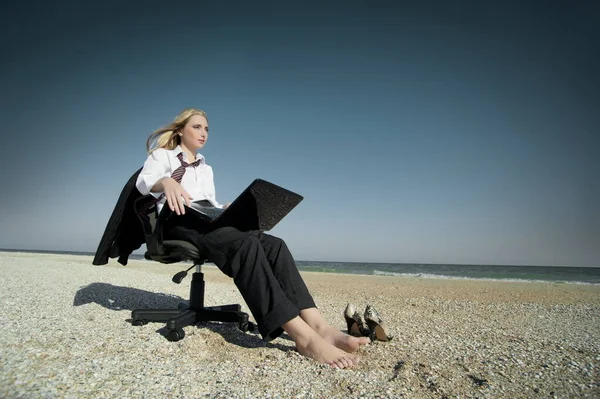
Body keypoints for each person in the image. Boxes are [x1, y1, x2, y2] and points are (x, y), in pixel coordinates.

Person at [135, 108, 369, 368]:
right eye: (197, 127)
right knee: (244, 244)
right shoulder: (163, 156)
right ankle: (303, 337)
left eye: (207, 129)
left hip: (205, 220)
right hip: (176, 221)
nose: (203, 133)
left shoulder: (206, 168)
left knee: (274, 245)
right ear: (180, 130)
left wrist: (224, 209)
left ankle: (320, 327)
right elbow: (144, 182)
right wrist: (166, 182)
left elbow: (205, 202)